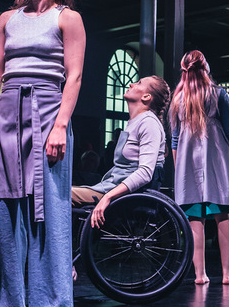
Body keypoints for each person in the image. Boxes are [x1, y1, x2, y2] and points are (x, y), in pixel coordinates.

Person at [0, 0, 85, 307]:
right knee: (7, 207)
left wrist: (60, 125)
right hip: (8, 111)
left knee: (47, 209)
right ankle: (13, 302)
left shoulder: (67, 18)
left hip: (47, 109)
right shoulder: (8, 19)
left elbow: (73, 76)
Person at [170, 50, 229, 285]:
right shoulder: (218, 94)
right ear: (206, 68)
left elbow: (174, 140)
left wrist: (178, 168)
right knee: (224, 213)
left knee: (195, 216)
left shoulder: (178, 99)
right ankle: (227, 274)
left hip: (187, 162)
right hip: (217, 158)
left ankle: (200, 275)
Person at [71, 76, 170, 227]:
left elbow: (145, 172)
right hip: (112, 187)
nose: (131, 84)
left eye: (139, 83)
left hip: (122, 195)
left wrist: (108, 197)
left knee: (62, 195)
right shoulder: (136, 122)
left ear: (146, 97)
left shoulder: (149, 123)